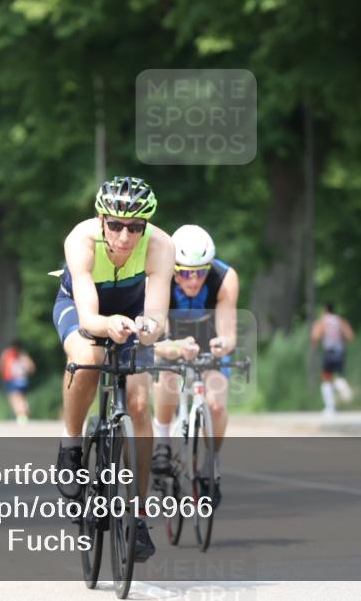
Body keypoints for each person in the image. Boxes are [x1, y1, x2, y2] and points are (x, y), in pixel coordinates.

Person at [51, 176, 173, 562]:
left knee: (138, 406)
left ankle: (137, 515)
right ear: (101, 219)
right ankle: (71, 445)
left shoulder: (161, 245)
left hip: (133, 314)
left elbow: (157, 317)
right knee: (88, 358)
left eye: (136, 227)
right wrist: (109, 326)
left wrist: (146, 330)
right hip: (81, 308)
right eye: (117, 225)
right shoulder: (80, 239)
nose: (125, 236)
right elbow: (88, 317)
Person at [151, 225, 239, 507]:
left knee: (216, 404)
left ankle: (211, 463)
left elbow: (228, 334)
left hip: (207, 336)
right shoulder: (159, 276)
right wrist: (174, 348)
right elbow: (156, 334)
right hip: (172, 334)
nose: (193, 279)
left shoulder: (225, 279)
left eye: (200, 272)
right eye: (185, 272)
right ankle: (163, 442)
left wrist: (222, 345)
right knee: (166, 374)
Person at [309, 303, 354, 417]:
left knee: (326, 377)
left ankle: (330, 407)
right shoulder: (340, 321)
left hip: (328, 352)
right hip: (340, 352)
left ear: (324, 311)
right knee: (336, 375)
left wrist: (314, 346)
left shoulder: (322, 321)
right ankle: (340, 383)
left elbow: (315, 336)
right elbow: (350, 336)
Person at [0, 341, 35, 425]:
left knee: (14, 399)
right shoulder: (23, 355)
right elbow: (32, 368)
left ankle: (21, 415)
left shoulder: (7, 354)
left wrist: (2, 373)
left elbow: (0, 366)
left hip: (11, 379)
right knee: (21, 398)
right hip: (23, 379)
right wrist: (26, 374)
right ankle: (24, 409)